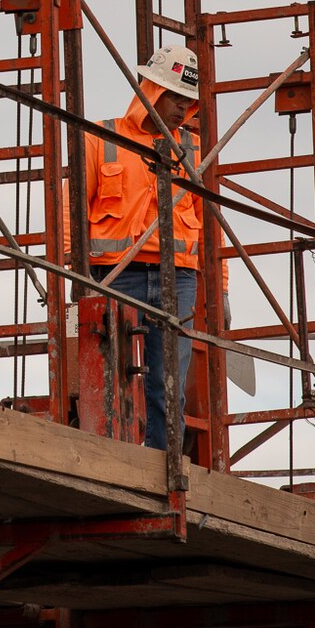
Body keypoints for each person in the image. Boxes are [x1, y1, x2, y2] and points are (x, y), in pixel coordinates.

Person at [83, 43, 202, 451]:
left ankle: (162, 465)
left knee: (167, 383)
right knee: (107, 377)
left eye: (189, 101)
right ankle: (111, 458)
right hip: (116, 274)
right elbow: (71, 208)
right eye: (175, 97)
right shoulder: (102, 137)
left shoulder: (194, 149)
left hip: (179, 277)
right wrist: (69, 270)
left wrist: (219, 288)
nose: (182, 109)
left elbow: (210, 226)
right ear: (151, 90)